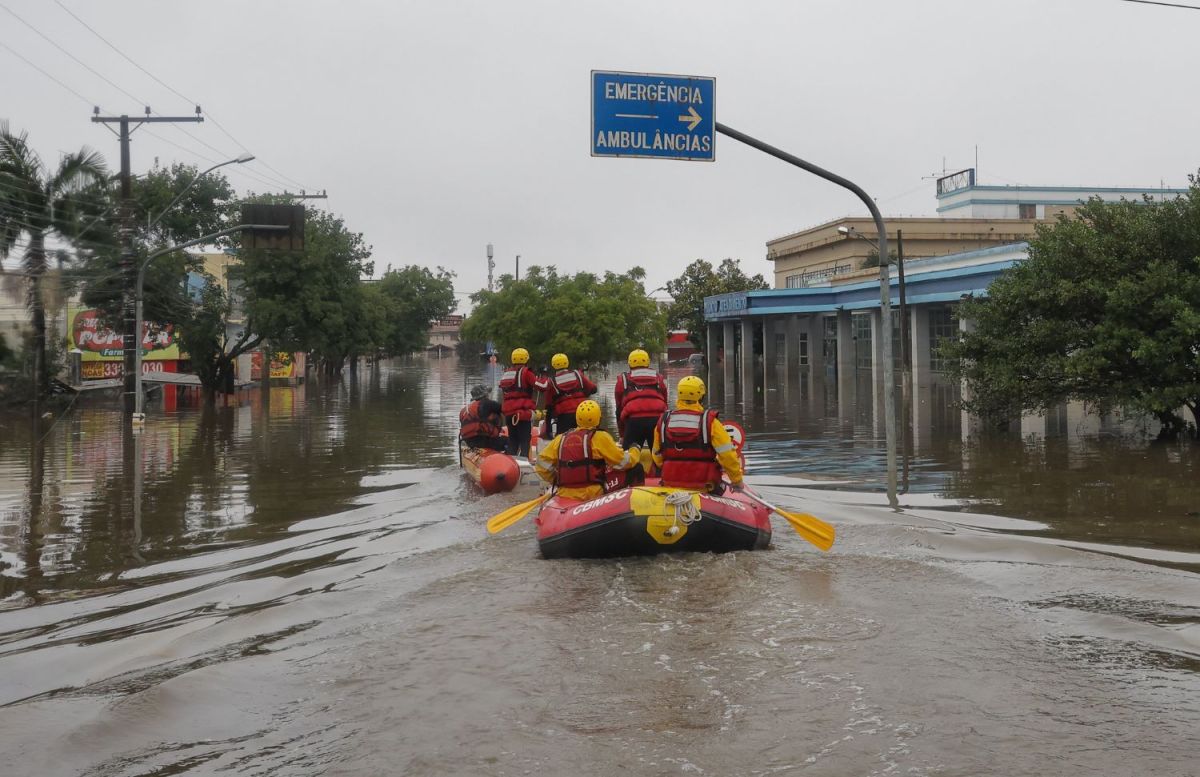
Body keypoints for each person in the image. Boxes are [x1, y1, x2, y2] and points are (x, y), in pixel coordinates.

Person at [652, 375, 744, 492]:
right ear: (701, 396)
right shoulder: (711, 423)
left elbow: (656, 455)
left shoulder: (664, 421)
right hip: (705, 486)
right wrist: (737, 480)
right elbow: (728, 456)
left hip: (670, 483)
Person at [535, 400, 640, 501]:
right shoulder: (600, 437)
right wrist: (635, 450)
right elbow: (623, 462)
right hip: (592, 494)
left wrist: (556, 478)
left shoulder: (560, 439)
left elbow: (540, 464)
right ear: (598, 419)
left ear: (577, 418)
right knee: (636, 468)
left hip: (565, 494)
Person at [614, 348, 668, 449]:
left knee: (630, 456)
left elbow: (619, 410)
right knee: (658, 454)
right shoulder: (659, 378)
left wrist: (622, 435)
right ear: (648, 363)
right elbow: (665, 401)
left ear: (630, 364)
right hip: (656, 420)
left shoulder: (623, 380)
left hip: (633, 422)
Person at [498, 347, 540, 456]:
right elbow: (541, 386)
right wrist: (544, 377)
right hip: (522, 413)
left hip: (509, 413)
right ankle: (524, 464)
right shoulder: (526, 373)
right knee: (525, 440)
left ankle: (511, 464)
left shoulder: (506, 374)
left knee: (513, 440)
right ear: (526, 359)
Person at [542, 353, 597, 436]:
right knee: (585, 437)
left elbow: (549, 406)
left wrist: (548, 430)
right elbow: (593, 389)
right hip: (582, 412)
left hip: (564, 416)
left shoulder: (551, 382)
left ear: (553, 365)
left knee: (563, 440)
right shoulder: (578, 374)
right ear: (567, 362)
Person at [459, 384, 506, 452]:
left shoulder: (464, 410)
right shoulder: (487, 404)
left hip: (468, 441)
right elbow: (505, 409)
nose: (489, 395)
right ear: (485, 395)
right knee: (510, 441)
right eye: (488, 393)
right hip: (483, 440)